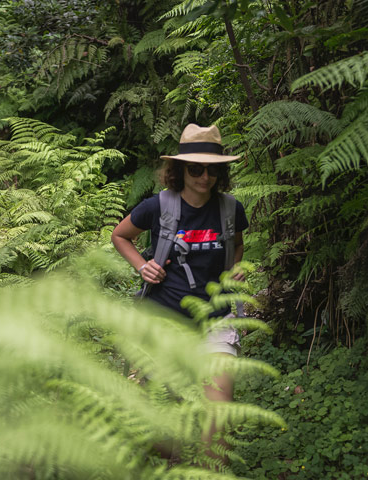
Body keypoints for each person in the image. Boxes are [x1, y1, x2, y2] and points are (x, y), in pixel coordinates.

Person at [111, 123, 248, 465]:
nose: (205, 177)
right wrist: (142, 266)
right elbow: (120, 236)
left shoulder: (231, 209)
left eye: (213, 169)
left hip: (215, 319)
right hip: (164, 318)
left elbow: (237, 246)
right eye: (196, 169)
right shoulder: (157, 207)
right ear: (179, 169)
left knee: (220, 418)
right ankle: (176, 456)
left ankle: (206, 467)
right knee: (149, 423)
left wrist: (233, 270)